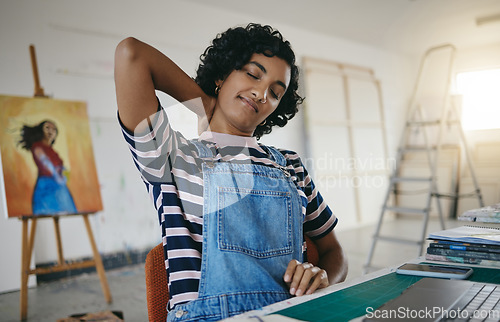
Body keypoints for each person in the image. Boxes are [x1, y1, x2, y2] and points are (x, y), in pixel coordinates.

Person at [115, 23, 348, 321]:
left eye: (276, 93)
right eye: (253, 74)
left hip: (290, 314)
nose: (262, 93)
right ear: (222, 75)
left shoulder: (289, 164)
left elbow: (334, 250)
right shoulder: (171, 155)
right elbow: (131, 54)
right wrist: (203, 105)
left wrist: (323, 275)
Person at [18, 120, 77, 215]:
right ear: (41, 130)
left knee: (68, 210)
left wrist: (63, 173)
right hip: (47, 185)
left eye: (54, 129)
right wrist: (57, 176)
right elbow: (45, 162)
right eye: (47, 128)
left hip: (59, 185)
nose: (50, 131)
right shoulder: (37, 147)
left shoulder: (51, 150)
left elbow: (58, 166)